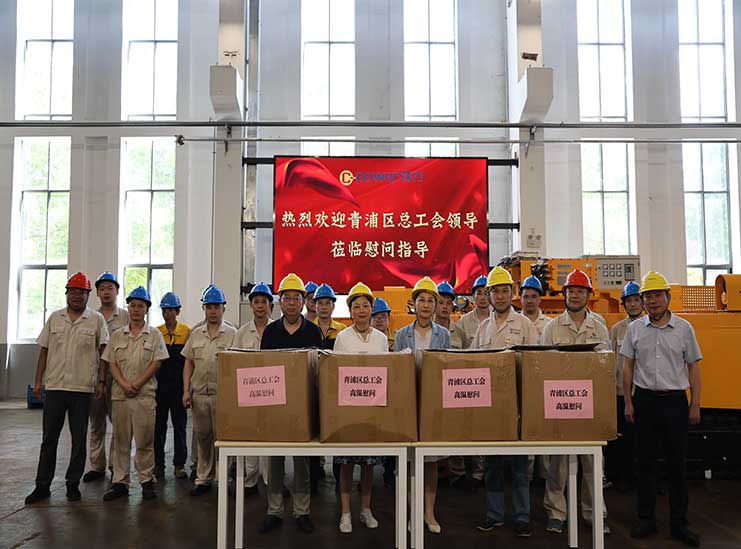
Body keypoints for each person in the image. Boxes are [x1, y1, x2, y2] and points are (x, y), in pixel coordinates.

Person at [621, 271, 702, 547]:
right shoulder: (634, 329)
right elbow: (627, 367)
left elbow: (693, 367)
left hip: (675, 403)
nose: (652, 301)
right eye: (647, 297)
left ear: (668, 297)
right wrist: (629, 401)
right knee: (644, 464)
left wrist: (695, 404)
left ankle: (679, 524)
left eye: (657, 295)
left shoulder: (684, 329)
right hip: (645, 401)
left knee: (677, 465)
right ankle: (646, 519)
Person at [25, 273, 109, 505]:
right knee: (49, 439)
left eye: (81, 292)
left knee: (79, 440)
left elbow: (103, 353)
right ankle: (42, 485)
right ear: (67, 294)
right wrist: (38, 381)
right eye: (72, 291)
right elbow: (44, 350)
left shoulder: (96, 320)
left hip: (82, 389)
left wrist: (101, 381)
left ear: (88, 295)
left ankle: (73, 484)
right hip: (55, 387)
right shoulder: (55, 318)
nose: (76, 296)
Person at [539, 269, 611, 535]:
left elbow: (605, 367)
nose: (575, 295)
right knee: (557, 462)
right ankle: (556, 513)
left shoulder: (599, 327)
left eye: (580, 291)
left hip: (590, 404)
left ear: (588, 295)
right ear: (565, 295)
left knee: (593, 462)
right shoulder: (552, 328)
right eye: (571, 291)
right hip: (559, 402)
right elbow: (543, 366)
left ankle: (595, 513)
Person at [472, 267, 537, 538]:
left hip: (518, 403)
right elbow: (474, 364)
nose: (499, 296)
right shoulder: (483, 327)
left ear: (512, 294)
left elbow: (534, 365)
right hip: (490, 404)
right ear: (488, 295)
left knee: (519, 466)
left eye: (504, 291)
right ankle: (494, 514)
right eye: (495, 292)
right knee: (493, 464)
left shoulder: (525, 325)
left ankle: (522, 517)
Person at [258, 273, 323, 535]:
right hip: (276, 405)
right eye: (287, 298)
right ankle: (274, 511)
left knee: (302, 462)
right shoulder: (271, 332)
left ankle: (302, 511)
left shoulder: (313, 331)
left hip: (303, 407)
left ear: (303, 302)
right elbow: (263, 369)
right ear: (280, 302)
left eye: (297, 298)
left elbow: (318, 370)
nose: (293, 303)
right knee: (274, 460)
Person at [394, 276, 451, 534]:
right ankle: (412, 512)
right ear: (413, 304)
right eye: (421, 300)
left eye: (430, 301)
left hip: (433, 405)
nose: (426, 305)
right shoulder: (401, 335)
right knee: (408, 462)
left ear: (436, 305)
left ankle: (429, 513)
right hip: (408, 404)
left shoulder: (444, 335)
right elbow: (397, 372)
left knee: (430, 461)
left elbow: (447, 370)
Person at [102, 287, 169, 501]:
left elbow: (156, 362)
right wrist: (123, 384)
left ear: (146, 309)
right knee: (120, 440)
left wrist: (138, 384)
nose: (136, 309)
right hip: (120, 396)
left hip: (144, 396)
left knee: (144, 441)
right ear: (128, 308)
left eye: (141, 306)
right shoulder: (117, 335)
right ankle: (119, 482)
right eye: (133, 305)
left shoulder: (155, 335)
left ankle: (146, 480)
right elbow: (111, 363)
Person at [333, 282, 389, 534]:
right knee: (346, 464)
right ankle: (345, 512)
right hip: (348, 409)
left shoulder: (381, 339)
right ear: (350, 311)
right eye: (356, 306)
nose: (362, 310)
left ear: (371, 309)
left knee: (368, 464)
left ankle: (366, 509)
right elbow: (335, 373)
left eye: (366, 305)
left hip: (373, 409)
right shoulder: (342, 338)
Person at [182, 285, 237, 496]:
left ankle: (223, 478)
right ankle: (203, 478)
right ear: (204, 309)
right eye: (209, 307)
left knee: (223, 439)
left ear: (223, 308)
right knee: (202, 437)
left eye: (216, 307)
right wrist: (185, 391)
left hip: (222, 397)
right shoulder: (196, 334)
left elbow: (237, 366)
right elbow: (188, 363)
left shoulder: (232, 334)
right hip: (199, 396)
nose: (213, 311)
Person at [83, 271, 129, 483]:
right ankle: (96, 466)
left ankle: (115, 465)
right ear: (97, 293)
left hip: (119, 378)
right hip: (95, 377)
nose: (106, 292)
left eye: (110, 288)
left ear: (117, 291)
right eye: (102, 289)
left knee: (119, 424)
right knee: (96, 422)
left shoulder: (126, 317)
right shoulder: (91, 317)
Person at [233, 282, 275, 496]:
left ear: (270, 306)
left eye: (264, 302)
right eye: (256, 302)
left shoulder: (277, 330)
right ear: (251, 306)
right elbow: (234, 361)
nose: (260, 306)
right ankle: (249, 481)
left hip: (273, 393)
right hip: (248, 393)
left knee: (271, 437)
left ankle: (270, 480)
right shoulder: (241, 333)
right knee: (249, 436)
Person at [605, 281, 643, 491]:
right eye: (629, 301)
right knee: (623, 438)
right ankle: (623, 478)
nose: (633, 304)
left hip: (644, 393)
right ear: (624, 304)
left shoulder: (650, 327)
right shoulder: (617, 330)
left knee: (644, 438)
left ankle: (643, 479)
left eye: (636, 300)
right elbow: (611, 361)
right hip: (621, 392)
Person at [154, 292, 191, 481]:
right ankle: (158, 464)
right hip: (159, 388)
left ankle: (179, 465)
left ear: (178, 311)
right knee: (158, 427)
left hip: (178, 387)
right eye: (164, 310)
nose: (167, 313)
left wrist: (186, 389)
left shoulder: (186, 332)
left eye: (170, 310)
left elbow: (189, 362)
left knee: (180, 426)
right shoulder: (156, 332)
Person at [458, 275, 490, 349]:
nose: (482, 298)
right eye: (479, 293)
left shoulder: (497, 319)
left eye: (486, 293)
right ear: (473, 296)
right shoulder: (464, 321)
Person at [313, 283, 346, 350]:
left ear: (333, 306)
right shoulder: (308, 329)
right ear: (315, 307)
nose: (324, 307)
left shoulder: (342, 329)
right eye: (320, 303)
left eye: (327, 303)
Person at [434, 281, 466, 349]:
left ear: (452, 306)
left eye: (448, 303)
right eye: (441, 303)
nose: (445, 306)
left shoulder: (460, 333)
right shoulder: (426, 329)